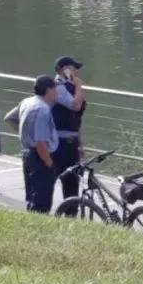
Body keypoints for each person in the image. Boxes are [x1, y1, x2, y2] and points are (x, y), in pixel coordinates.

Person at [4, 76, 60, 213]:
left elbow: (10, 118)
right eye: (55, 89)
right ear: (48, 90)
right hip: (39, 157)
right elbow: (40, 143)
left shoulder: (27, 102)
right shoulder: (43, 110)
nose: (56, 92)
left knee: (32, 196)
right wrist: (49, 164)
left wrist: (25, 133)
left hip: (28, 155)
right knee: (42, 200)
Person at [51, 56, 86, 216]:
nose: (76, 71)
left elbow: (76, 118)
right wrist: (79, 86)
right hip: (58, 143)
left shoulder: (71, 88)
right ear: (63, 69)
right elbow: (75, 105)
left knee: (72, 181)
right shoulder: (57, 87)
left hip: (71, 143)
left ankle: (71, 213)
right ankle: (40, 210)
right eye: (73, 68)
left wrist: (80, 144)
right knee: (50, 178)